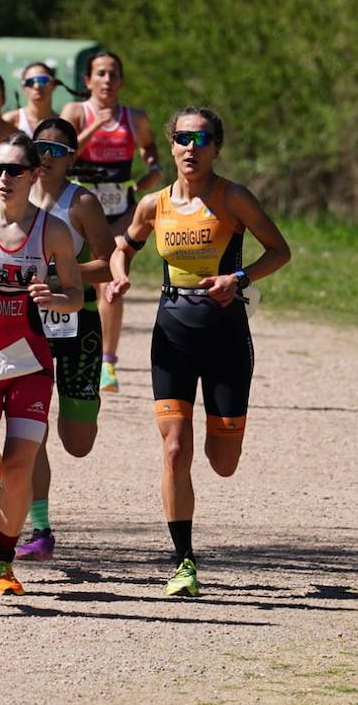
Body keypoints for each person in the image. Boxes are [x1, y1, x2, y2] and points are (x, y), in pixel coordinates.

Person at [108, 107, 290, 597]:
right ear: (170, 146)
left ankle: (222, 436)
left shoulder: (233, 198)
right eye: (183, 138)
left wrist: (240, 278)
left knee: (222, 459)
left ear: (216, 147)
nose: (191, 147)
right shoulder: (154, 204)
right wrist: (120, 270)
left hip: (226, 334)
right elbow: (122, 245)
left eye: (202, 138)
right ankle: (183, 561)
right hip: (173, 331)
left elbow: (279, 250)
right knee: (173, 449)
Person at [0, 135, 82, 596]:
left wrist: (56, 298)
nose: (3, 178)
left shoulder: (54, 230)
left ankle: (2, 564)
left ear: (34, 174)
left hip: (30, 363)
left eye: (14, 170)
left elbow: (77, 295)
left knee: (21, 463)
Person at [6, 116, 121, 561]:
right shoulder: (16, 196)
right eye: (41, 148)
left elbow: (109, 263)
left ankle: (82, 406)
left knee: (77, 441)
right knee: (27, 430)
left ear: (73, 157)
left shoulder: (82, 202)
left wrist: (57, 276)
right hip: (26, 324)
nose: (48, 157)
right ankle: (40, 529)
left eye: (57, 150)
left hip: (78, 327)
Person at [60, 50, 162, 394]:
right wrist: (95, 128)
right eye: (100, 73)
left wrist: (153, 170)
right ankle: (66, 348)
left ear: (121, 81)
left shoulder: (136, 118)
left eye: (113, 74)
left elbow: (150, 148)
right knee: (69, 277)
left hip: (121, 212)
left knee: (112, 280)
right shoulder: (75, 112)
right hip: (80, 211)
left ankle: (108, 363)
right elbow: (63, 154)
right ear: (88, 81)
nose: (107, 80)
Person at [3, 61, 81, 137]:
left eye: (43, 80)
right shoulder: (10, 121)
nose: (37, 86)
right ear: (23, 88)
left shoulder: (63, 125)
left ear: (53, 85)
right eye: (30, 82)